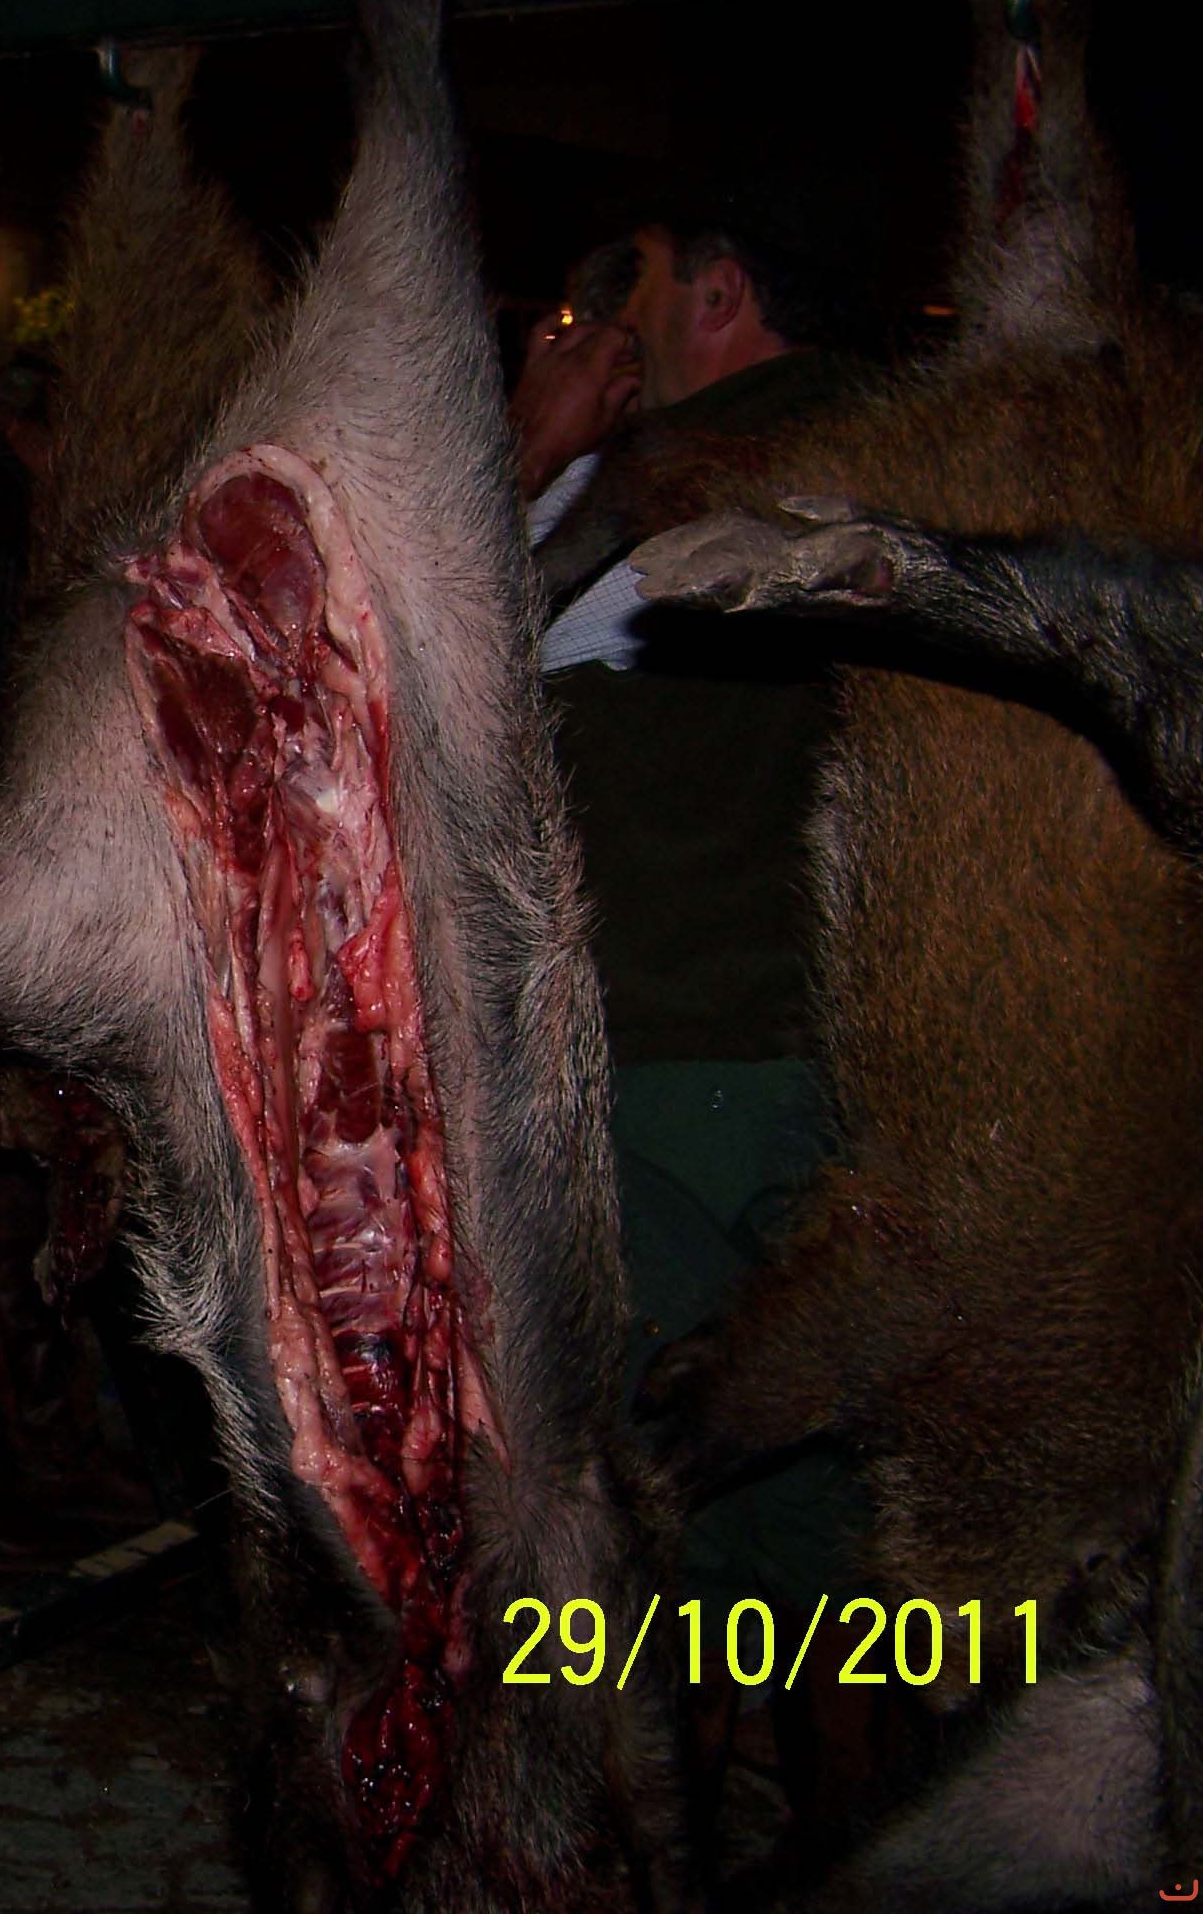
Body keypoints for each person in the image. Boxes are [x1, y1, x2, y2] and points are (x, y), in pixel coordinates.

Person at [511, 199, 878, 1866]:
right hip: (834, 1061)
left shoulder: (671, 482)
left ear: (723, 292)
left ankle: (679, 1851)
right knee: (812, 1497)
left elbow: (455, 660)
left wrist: (540, 441)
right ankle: (841, 1841)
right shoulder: (896, 444)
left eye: (642, 288)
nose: (617, 327)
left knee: (653, 1491)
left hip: (665, 1059)